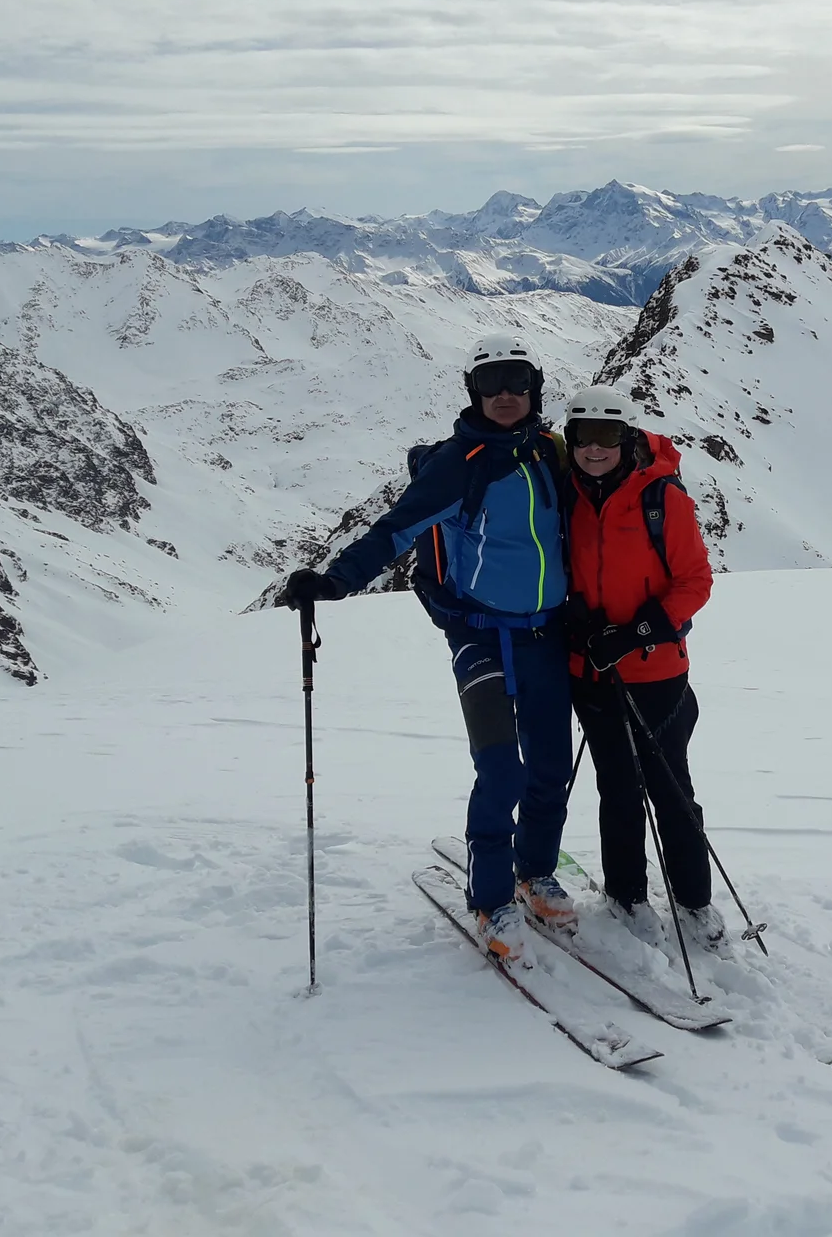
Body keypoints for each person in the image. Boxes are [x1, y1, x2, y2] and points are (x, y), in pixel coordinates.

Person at [276, 333, 577, 965]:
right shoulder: (459, 462)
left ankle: (535, 871)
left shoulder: (554, 452)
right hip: (480, 633)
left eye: (516, 380)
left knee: (551, 766)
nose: (503, 394)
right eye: (490, 382)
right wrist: (333, 580)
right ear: (473, 390)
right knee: (501, 769)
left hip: (549, 632)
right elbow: (396, 529)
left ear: (534, 388)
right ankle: (492, 898)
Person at [557, 384, 724, 952]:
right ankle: (627, 895)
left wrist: (637, 632)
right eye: (584, 437)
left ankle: (694, 901)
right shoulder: (565, 494)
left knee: (672, 787)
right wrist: (578, 620)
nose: (595, 449)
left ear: (626, 439)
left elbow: (695, 581)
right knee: (619, 788)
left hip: (657, 673)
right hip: (591, 671)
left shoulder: (662, 498)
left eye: (607, 436)